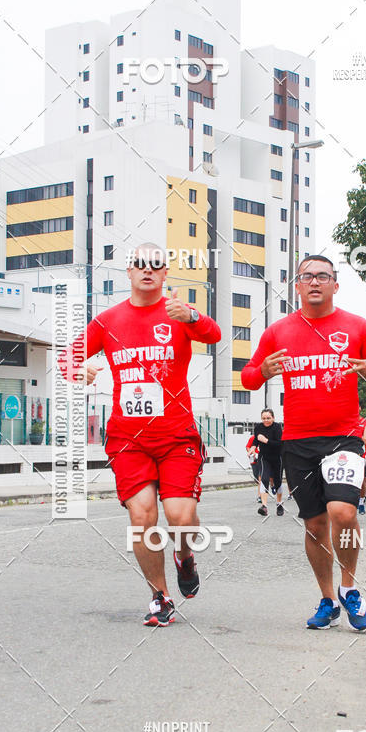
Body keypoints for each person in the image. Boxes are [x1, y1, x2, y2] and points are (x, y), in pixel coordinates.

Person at [59, 242, 221, 626]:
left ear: (165, 273)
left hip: (176, 435)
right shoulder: (108, 321)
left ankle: (185, 558)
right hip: (128, 439)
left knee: (181, 518)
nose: (147, 271)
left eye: (156, 266)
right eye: (139, 265)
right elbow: (68, 357)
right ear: (129, 273)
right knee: (142, 515)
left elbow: (213, 335)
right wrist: (76, 371)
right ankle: (160, 596)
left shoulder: (178, 312)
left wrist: (191, 316)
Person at [241, 254, 366, 631]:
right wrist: (262, 370)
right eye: (307, 276)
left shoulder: (356, 327)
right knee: (314, 525)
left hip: (343, 436)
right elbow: (247, 377)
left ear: (335, 284)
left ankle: (350, 589)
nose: (314, 282)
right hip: (297, 441)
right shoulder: (278, 332)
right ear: (296, 285)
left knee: (343, 513)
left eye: (322, 276)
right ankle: (328, 599)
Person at [254, 408, 284, 516]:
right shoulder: (258, 427)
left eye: (268, 418)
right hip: (264, 457)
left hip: (277, 458)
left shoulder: (277, 427)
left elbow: (279, 444)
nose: (266, 420)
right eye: (263, 418)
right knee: (264, 479)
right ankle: (264, 506)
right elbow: (256, 440)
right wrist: (253, 448)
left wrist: (266, 440)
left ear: (273, 418)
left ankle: (279, 503)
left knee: (278, 481)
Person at [246, 434, 261, 502]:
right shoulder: (252, 438)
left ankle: (260, 496)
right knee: (256, 478)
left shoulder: (265, 438)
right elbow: (248, 447)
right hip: (254, 460)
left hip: (263, 460)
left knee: (261, 478)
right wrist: (252, 452)